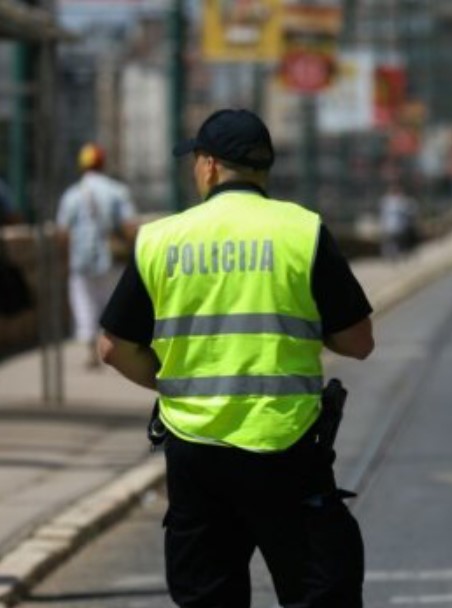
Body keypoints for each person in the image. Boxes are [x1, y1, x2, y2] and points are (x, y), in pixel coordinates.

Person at [97, 108, 374, 608]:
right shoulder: (302, 231)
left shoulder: (160, 240)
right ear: (263, 169)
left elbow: (112, 348)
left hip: (195, 451)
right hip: (286, 447)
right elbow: (358, 341)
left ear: (207, 166)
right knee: (320, 589)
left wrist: (174, 384)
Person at [57, 143, 136, 368]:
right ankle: (112, 351)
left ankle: (91, 353)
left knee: (84, 305)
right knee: (111, 305)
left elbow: (63, 233)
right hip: (111, 259)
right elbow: (129, 225)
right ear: (103, 164)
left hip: (81, 262)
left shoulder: (71, 194)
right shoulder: (116, 190)